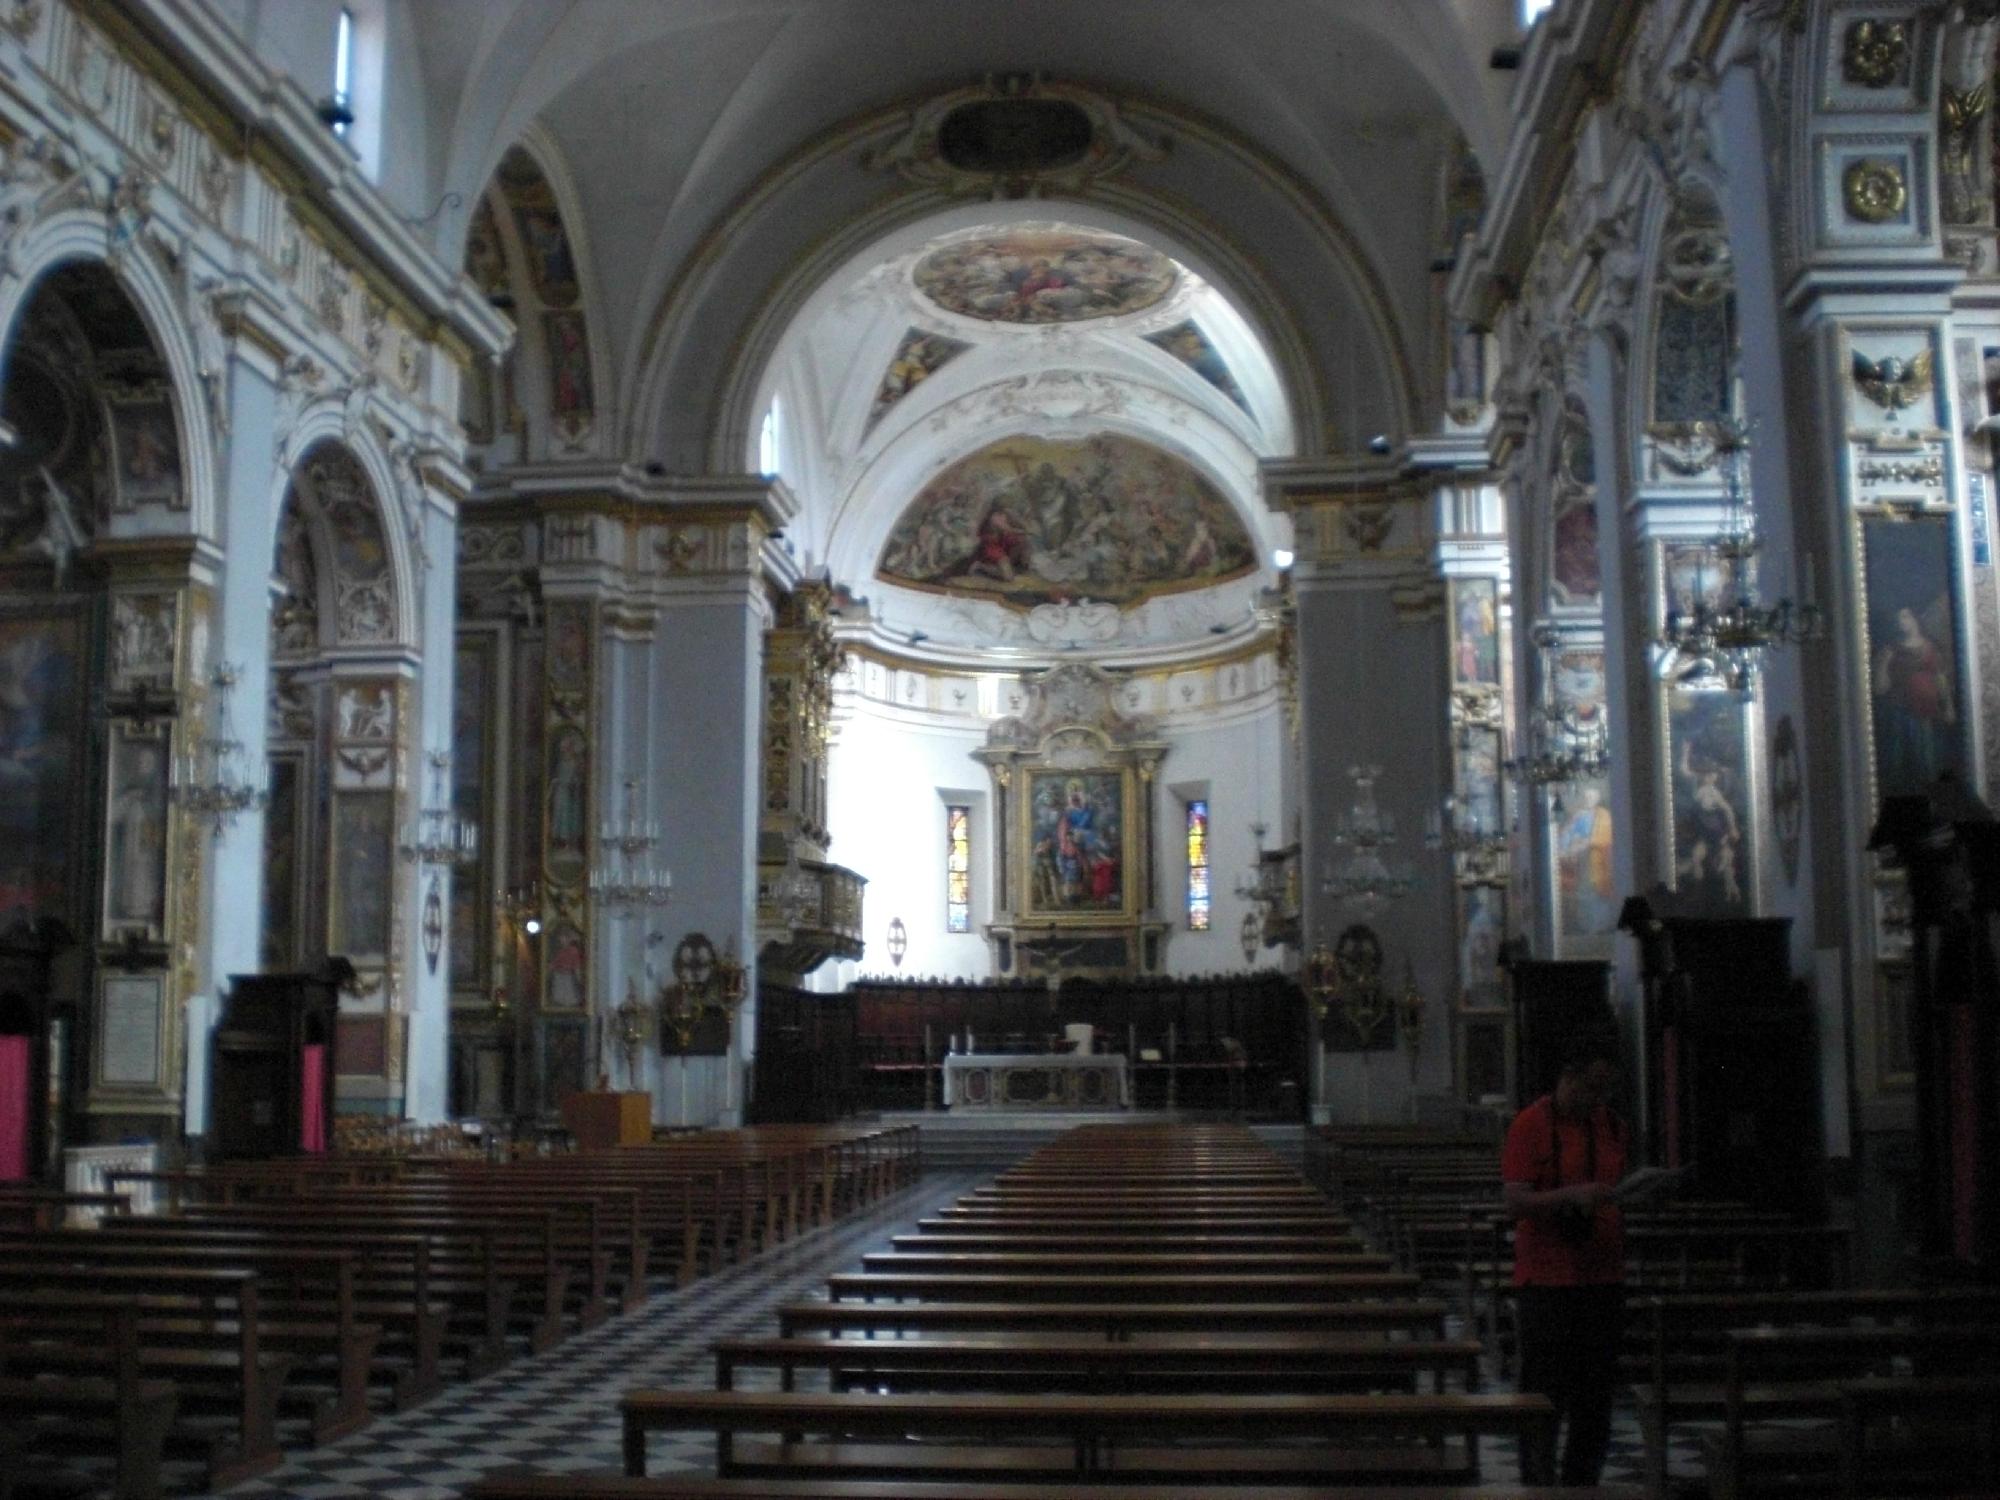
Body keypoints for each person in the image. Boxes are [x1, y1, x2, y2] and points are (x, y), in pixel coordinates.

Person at [1500, 1028, 1628, 1487]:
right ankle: (1536, 1483)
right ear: (1568, 1078)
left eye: (1606, 1088)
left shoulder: (1610, 1124)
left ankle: (1582, 1487)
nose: (1599, 1097)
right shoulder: (1530, 1125)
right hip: (1547, 1280)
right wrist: (1571, 1196)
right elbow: (1515, 1201)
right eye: (1592, 1086)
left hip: (1602, 1277)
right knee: (1544, 1394)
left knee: (1594, 1399)